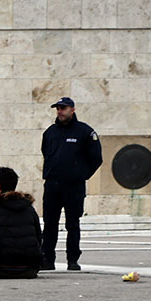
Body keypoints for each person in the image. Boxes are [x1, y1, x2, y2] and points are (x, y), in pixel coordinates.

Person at [40, 96, 102, 272]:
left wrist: (80, 174)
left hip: (73, 186)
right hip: (52, 185)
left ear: (72, 110)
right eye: (58, 108)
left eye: (63, 108)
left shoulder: (84, 132)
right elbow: (46, 152)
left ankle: (72, 260)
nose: (60, 111)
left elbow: (96, 158)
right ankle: (47, 259)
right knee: (50, 223)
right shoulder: (50, 132)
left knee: (72, 223)